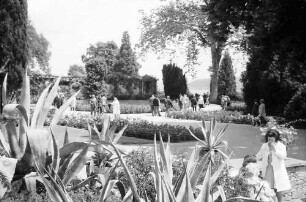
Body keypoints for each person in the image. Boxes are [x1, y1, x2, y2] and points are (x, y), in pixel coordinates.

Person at [256, 129, 291, 202]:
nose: (270, 140)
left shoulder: (281, 146)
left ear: (276, 138)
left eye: (272, 139)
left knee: (279, 188)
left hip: (277, 170)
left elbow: (283, 156)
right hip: (267, 169)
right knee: (269, 188)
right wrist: (252, 159)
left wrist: (275, 150)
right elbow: (259, 154)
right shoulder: (264, 145)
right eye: (269, 138)